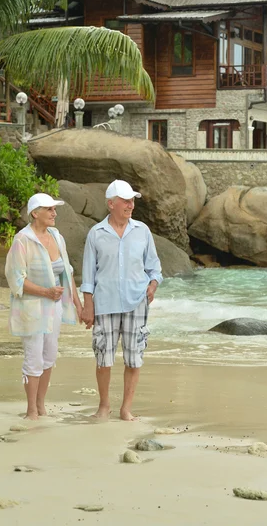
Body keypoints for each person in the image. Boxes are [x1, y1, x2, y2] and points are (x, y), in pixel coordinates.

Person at [81, 179, 162, 421]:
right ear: (111, 204)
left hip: (136, 302)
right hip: (104, 303)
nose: (130, 205)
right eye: (126, 201)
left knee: (134, 357)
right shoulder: (96, 234)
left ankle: (126, 408)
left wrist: (153, 285)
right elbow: (88, 275)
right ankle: (104, 406)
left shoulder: (142, 231)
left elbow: (154, 267)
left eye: (132, 201)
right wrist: (88, 305)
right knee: (103, 357)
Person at [5, 193, 82, 420]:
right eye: (49, 209)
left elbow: (67, 272)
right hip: (31, 306)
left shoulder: (57, 236)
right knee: (34, 357)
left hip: (55, 305)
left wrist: (78, 303)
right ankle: (31, 410)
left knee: (49, 355)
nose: (54, 213)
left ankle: (41, 405)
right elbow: (15, 279)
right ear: (35, 213)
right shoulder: (22, 240)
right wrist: (45, 292)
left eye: (54, 209)